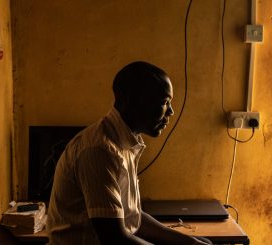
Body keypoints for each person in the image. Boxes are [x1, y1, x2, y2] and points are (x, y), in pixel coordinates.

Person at [46, 61, 212, 244]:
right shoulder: (100, 150)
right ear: (133, 100)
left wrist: (189, 243)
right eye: (165, 102)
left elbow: (134, 220)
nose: (171, 112)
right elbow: (115, 239)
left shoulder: (125, 144)